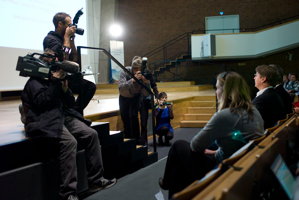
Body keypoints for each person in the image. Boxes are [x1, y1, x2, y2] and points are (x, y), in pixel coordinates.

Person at [21, 51, 116, 200]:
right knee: (69, 142)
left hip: (61, 117)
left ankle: (96, 181)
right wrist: (55, 84)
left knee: (91, 134)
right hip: (43, 120)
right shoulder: (34, 82)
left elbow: (71, 103)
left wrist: (64, 90)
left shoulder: (56, 81)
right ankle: (68, 193)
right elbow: (41, 103)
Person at [159, 71, 264, 198]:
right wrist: (213, 152)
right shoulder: (254, 111)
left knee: (179, 146)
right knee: (185, 163)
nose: (216, 92)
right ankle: (173, 188)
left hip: (224, 170)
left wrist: (211, 151)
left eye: (217, 87)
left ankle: (167, 184)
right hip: (242, 164)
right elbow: (236, 141)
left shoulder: (226, 115)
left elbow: (195, 145)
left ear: (225, 91)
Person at [43, 12, 96, 115]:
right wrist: (67, 37)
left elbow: (74, 59)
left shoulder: (66, 38)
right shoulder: (50, 39)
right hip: (56, 77)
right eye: (68, 25)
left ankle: (75, 113)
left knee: (89, 87)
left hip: (67, 76)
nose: (71, 27)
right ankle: (75, 113)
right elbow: (63, 59)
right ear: (59, 24)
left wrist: (71, 40)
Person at [118, 56, 152, 144]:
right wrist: (132, 80)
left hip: (135, 98)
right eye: (134, 68)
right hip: (124, 98)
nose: (136, 71)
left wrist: (145, 82)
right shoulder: (125, 71)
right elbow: (121, 87)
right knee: (125, 119)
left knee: (134, 118)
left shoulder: (143, 74)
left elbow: (147, 93)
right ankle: (128, 141)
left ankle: (137, 142)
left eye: (138, 69)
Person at [253, 64, 286, 129]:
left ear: (263, 79)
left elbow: (254, 124)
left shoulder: (261, 99)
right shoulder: (273, 93)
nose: (254, 78)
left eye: (256, 75)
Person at [137, 56, 159, 145]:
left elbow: (153, 84)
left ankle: (157, 136)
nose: (144, 65)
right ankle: (143, 140)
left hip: (148, 98)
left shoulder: (148, 72)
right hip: (140, 99)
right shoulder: (136, 72)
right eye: (143, 63)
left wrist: (157, 96)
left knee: (152, 118)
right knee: (143, 121)